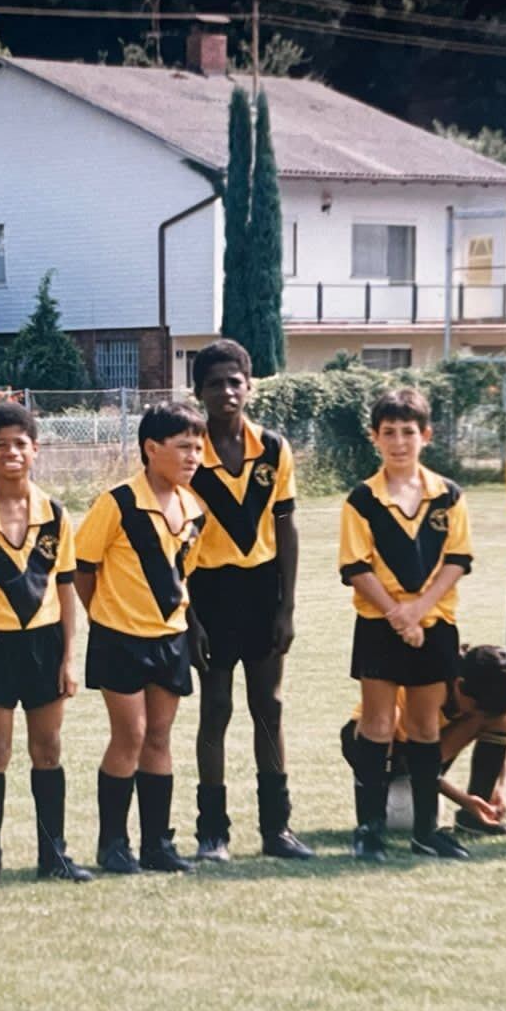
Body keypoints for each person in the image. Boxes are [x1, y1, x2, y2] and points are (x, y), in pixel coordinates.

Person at [0, 402, 93, 889]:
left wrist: (69, 658)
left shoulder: (56, 514)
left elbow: (67, 588)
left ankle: (54, 856)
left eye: (20, 443)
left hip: (45, 643)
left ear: (35, 450)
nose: (11, 452)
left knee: (47, 748)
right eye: (1, 444)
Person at [184, 339, 312, 862]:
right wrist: (189, 617)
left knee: (269, 707)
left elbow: (286, 527)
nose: (226, 392)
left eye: (234, 381)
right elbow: (174, 542)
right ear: (198, 391)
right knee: (215, 708)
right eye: (214, 383)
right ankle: (212, 832)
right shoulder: (190, 454)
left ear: (250, 386)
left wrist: (287, 607)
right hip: (209, 592)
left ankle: (276, 828)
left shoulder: (273, 449)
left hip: (262, 590)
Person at [338, 387, 474, 861]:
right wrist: (398, 615)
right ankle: (369, 830)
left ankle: (425, 831)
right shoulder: (362, 499)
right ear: (374, 437)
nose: (399, 442)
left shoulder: (448, 496)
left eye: (408, 432)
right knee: (377, 722)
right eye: (389, 432)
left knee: (423, 724)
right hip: (379, 625)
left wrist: (418, 612)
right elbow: (356, 567)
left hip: (434, 625)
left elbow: (458, 560)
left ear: (426, 436)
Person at [75, 401, 208, 874]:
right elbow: (83, 568)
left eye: (198, 448)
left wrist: (186, 627)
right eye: (183, 447)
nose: (193, 457)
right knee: (128, 735)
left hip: (169, 639)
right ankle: (113, 843)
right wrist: (103, 615)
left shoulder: (194, 509)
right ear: (151, 449)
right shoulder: (117, 503)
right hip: (119, 638)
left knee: (159, 737)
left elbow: (182, 575)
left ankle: (157, 844)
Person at [346, 643, 506, 838]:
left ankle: (474, 821)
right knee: (392, 721)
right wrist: (464, 800)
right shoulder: (430, 687)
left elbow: (497, 720)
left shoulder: (470, 689)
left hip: (418, 753)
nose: (480, 713)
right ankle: (373, 819)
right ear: (459, 685)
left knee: (501, 719)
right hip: (382, 752)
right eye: (478, 707)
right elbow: (415, 761)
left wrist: (503, 787)